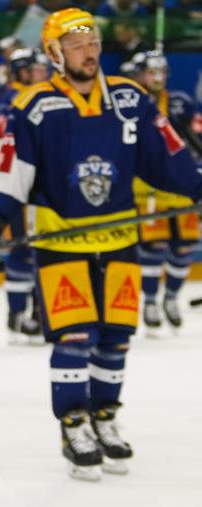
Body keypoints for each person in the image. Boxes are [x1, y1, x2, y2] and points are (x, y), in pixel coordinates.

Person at [0, 8, 202, 481]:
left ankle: (105, 415)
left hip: (120, 240)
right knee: (74, 337)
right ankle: (74, 423)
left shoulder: (131, 98)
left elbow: (170, 158)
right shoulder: (34, 105)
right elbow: (14, 172)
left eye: (92, 42)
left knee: (116, 339)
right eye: (75, 45)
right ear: (55, 54)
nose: (88, 52)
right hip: (63, 242)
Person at [125, 50, 202, 333]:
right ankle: (149, 301)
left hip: (181, 184)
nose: (156, 78)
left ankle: (170, 297)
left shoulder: (180, 103)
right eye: (151, 72)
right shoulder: (133, 103)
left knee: (184, 246)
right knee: (153, 247)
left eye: (160, 72)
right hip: (149, 188)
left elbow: (195, 137)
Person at [0, 48, 49, 344]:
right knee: (24, 249)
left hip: (33, 182)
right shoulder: (16, 99)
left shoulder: (29, 96)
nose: (44, 73)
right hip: (18, 183)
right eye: (37, 69)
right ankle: (19, 314)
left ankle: (33, 313)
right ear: (23, 72)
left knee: (36, 248)